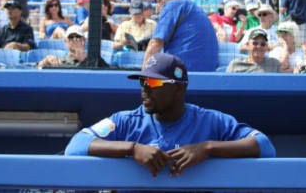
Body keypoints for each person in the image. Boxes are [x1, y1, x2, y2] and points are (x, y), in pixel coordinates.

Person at [65, 52, 276, 176]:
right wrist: (132, 148)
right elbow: (75, 146)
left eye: (154, 82)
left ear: (178, 88)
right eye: (143, 81)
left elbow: (265, 146)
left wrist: (207, 147)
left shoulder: (211, 121)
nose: (145, 88)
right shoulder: (127, 121)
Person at [143, 0, 218, 71]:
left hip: (183, 72)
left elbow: (156, 44)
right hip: (208, 72)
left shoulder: (174, 4)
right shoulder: (191, 7)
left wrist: (143, 75)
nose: (159, 1)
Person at [38, 25, 108, 68]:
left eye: (78, 36)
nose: (74, 39)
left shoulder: (95, 59)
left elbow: (109, 70)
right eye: (71, 37)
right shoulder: (62, 62)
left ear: (83, 40)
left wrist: (83, 58)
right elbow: (36, 68)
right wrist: (45, 61)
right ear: (66, 42)